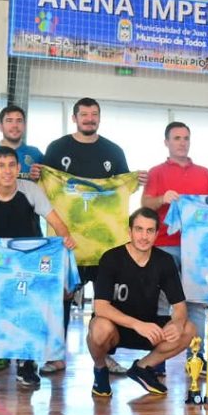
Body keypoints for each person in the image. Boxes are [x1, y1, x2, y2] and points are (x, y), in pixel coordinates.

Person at [42, 97, 144, 376]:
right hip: (67, 244)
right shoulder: (57, 148)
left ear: (100, 118)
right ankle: (56, 355)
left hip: (105, 248)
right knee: (60, 299)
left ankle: (106, 357)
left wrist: (135, 180)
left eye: (94, 114)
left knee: (106, 304)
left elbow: (124, 188)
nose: (89, 118)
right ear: (74, 118)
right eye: (84, 114)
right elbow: (44, 186)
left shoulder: (113, 150)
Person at [0, 146, 75, 386]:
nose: (7, 171)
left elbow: (55, 221)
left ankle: (27, 365)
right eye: (1, 166)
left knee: (28, 312)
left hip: (29, 260)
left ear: (18, 168)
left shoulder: (30, 190)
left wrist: (65, 238)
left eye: (12, 165)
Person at [86, 208, 194, 398]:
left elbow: (179, 307)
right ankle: (100, 370)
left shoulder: (165, 261)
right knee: (99, 327)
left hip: (149, 329)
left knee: (189, 329)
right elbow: (100, 307)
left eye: (149, 231)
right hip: (116, 329)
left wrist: (177, 323)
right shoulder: (111, 258)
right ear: (130, 232)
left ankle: (143, 368)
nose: (144, 236)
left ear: (156, 234)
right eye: (139, 229)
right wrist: (137, 325)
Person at [140, 121, 208, 365]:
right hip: (164, 245)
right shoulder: (156, 172)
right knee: (163, 304)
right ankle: (158, 361)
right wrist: (161, 198)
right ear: (167, 142)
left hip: (198, 249)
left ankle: (196, 357)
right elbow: (145, 204)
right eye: (177, 138)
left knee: (196, 302)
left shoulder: (204, 173)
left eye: (186, 138)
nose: (182, 142)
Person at [0, 105, 44, 179]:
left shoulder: (36, 154)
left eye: (19, 121)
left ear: (24, 126)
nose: (15, 125)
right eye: (9, 121)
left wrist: (39, 179)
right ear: (0, 127)